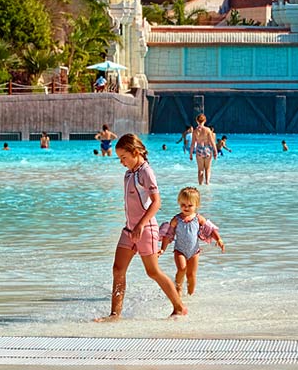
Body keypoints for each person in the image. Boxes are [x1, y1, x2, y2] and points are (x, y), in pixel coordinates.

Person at [95, 134, 186, 322]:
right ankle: (114, 315)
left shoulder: (146, 172)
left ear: (135, 153)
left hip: (145, 229)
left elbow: (156, 203)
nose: (122, 162)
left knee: (153, 272)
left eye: (124, 158)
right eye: (119, 159)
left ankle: (179, 308)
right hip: (129, 229)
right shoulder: (129, 173)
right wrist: (133, 227)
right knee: (118, 269)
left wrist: (141, 225)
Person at [159, 187, 224, 296]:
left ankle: (190, 295)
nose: (186, 208)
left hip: (194, 252)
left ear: (196, 205)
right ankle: (178, 288)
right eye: (183, 205)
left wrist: (219, 239)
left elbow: (211, 230)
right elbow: (168, 235)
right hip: (179, 250)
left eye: (190, 205)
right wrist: (162, 249)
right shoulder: (176, 220)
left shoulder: (198, 218)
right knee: (182, 269)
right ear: (179, 203)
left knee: (191, 275)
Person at [189, 114, 217, 185]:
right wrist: (215, 151)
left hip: (199, 150)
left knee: (200, 169)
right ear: (205, 120)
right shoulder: (207, 130)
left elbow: (192, 144)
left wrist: (191, 154)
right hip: (207, 149)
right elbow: (212, 142)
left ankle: (200, 184)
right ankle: (207, 183)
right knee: (207, 168)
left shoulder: (195, 131)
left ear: (197, 121)